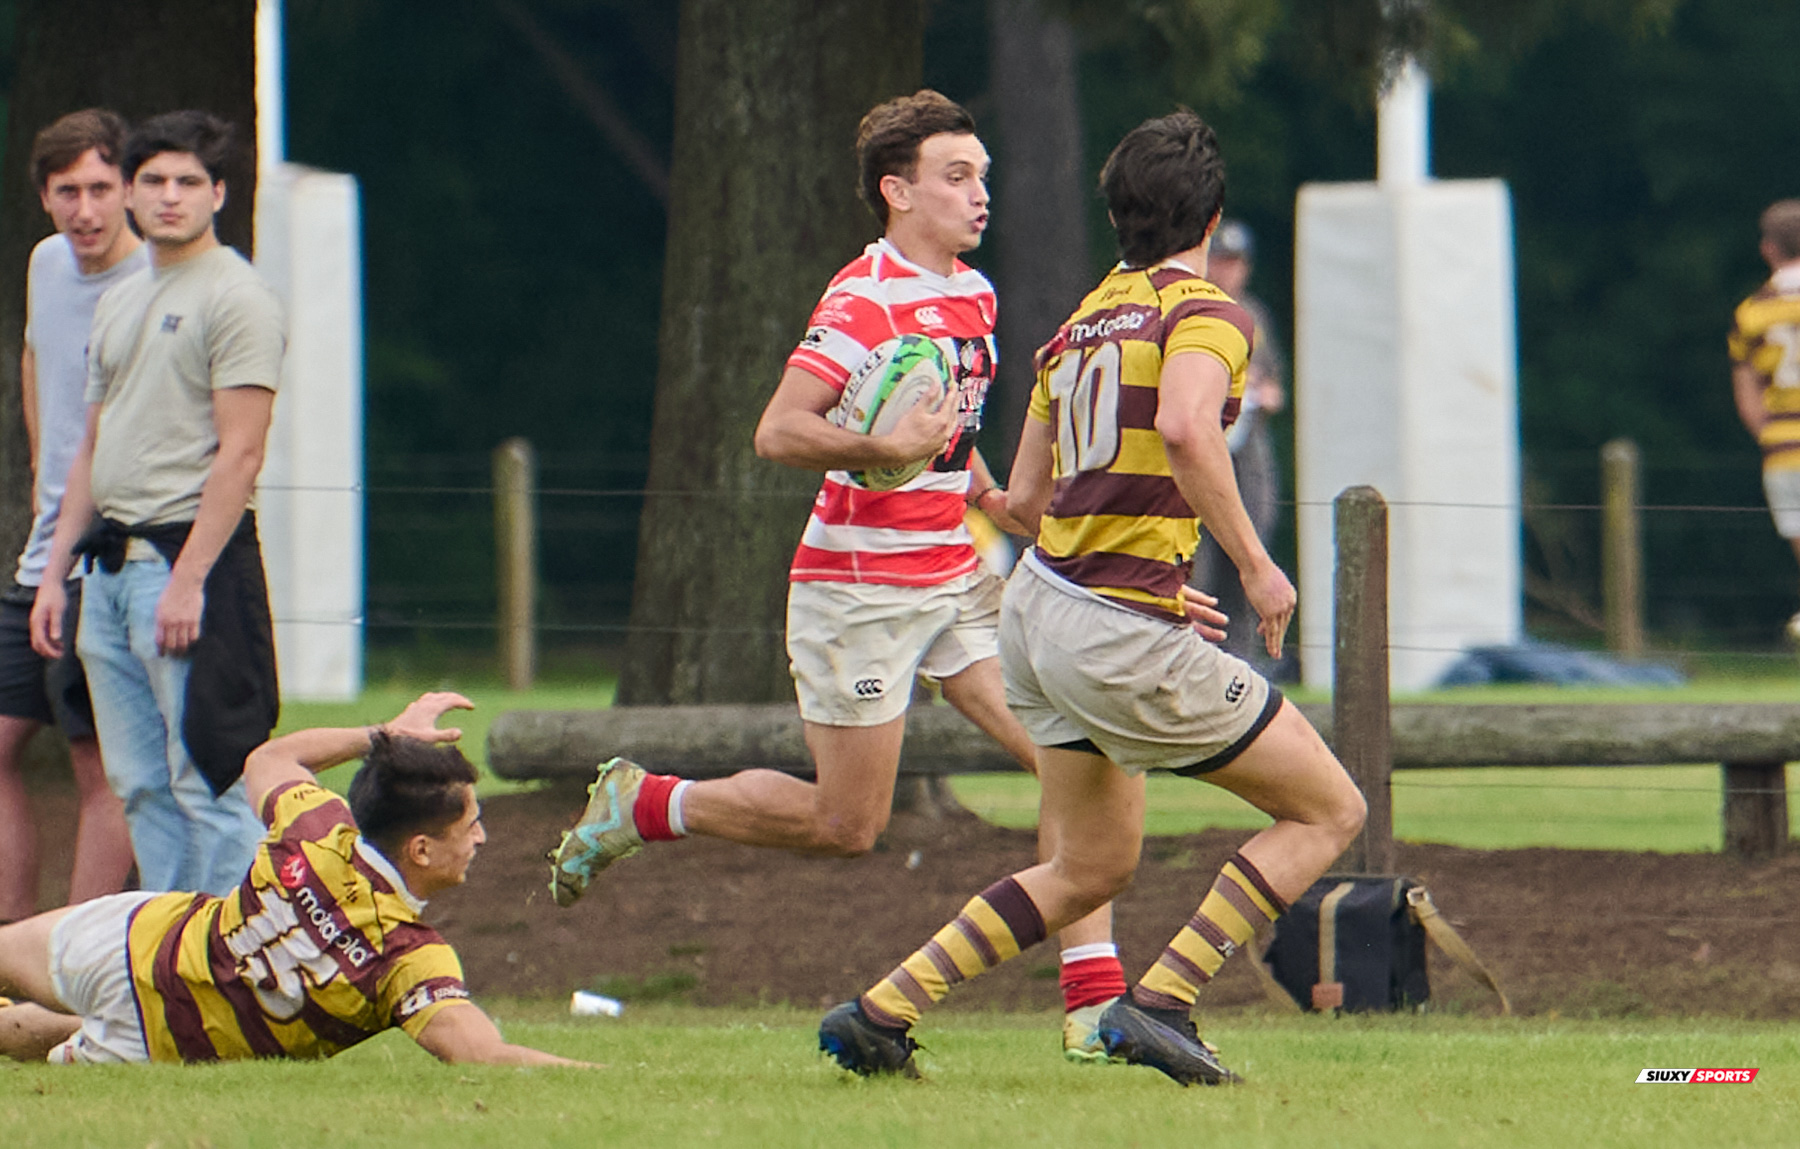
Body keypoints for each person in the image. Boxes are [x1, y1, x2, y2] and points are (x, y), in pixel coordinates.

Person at [548, 90, 1128, 1059]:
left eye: (983, 174)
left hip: (954, 577)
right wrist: (877, 439)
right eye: (957, 176)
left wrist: (991, 498)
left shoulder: (974, 294)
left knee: (1073, 771)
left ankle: (1092, 1012)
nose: (980, 193)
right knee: (846, 823)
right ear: (897, 192)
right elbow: (778, 430)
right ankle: (649, 804)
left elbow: (948, 434)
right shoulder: (862, 300)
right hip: (858, 591)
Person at [817, 110, 1366, 1086]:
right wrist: (1255, 566)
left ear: (1119, 217)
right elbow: (1193, 432)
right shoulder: (1207, 313)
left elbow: (1023, 503)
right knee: (1328, 811)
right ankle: (1161, 1002)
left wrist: (931, 459)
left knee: (1090, 867)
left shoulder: (1077, 327)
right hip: (1114, 634)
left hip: (1040, 614)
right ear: (1211, 214)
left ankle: (879, 1012)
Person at [0, 691, 591, 1066]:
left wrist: (384, 736)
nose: (482, 838)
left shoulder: (318, 829)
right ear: (421, 849)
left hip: (133, 946)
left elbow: (269, 760)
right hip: (168, 1043)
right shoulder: (411, 959)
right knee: (42, 1033)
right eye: (472, 824)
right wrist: (592, 1074)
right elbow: (481, 1054)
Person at [29, 111, 283, 898]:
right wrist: (54, 570)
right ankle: (168, 973)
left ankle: (240, 970)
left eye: (187, 183)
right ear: (133, 194)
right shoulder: (123, 298)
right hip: (106, 567)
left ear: (218, 194)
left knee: (208, 776)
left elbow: (241, 451)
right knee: (139, 785)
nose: (169, 197)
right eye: (154, 181)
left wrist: (189, 578)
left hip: (187, 561)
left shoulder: (236, 296)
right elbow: (90, 448)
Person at [0, 111, 145, 923]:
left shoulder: (155, 283)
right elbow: (33, 354)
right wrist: (39, 469)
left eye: (99, 188)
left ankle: (73, 967)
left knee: (101, 766)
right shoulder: (46, 264)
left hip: (112, 557)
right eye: (67, 193)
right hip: (41, 555)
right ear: (46, 197)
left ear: (125, 187)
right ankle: (10, 953)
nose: (85, 211)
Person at [1191, 219, 1290, 677]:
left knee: (1251, 555)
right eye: (1220, 260)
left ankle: (1249, 663)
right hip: (1204, 451)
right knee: (1201, 566)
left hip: (1247, 456)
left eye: (1235, 263)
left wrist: (1263, 395)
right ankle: (1201, 660)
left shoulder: (1256, 317)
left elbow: (1274, 384)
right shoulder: (1194, 311)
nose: (1227, 271)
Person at [1729, 199, 1800, 643]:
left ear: (1768, 249)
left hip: (1784, 445)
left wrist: (1769, 434)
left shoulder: (1752, 311)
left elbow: (1748, 396)